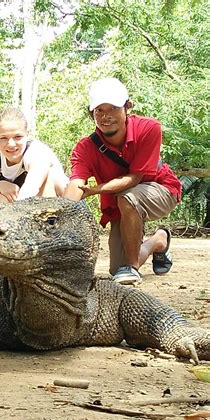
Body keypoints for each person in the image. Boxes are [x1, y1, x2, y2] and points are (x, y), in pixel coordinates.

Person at [64, 78, 182, 285]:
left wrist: (95, 190)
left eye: (113, 108)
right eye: (99, 110)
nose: (106, 116)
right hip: (121, 203)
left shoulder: (149, 128)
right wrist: (62, 215)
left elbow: (135, 178)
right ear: (92, 113)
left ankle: (132, 269)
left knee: (128, 197)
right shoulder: (85, 148)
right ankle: (158, 241)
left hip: (161, 190)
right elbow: (76, 183)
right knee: (117, 268)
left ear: (128, 106)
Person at [0, 107, 68, 217]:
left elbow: (30, 189)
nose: (11, 144)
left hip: (52, 201)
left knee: (50, 176)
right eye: (3, 138)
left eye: (17, 137)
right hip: (18, 204)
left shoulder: (37, 152)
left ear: (26, 134)